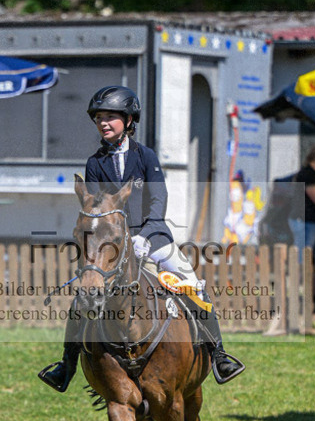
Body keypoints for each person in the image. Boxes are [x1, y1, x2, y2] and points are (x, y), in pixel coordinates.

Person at [38, 85, 245, 391]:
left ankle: (218, 354)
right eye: (99, 118)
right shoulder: (95, 163)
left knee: (194, 286)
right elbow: (95, 207)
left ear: (129, 120)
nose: (103, 123)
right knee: (82, 299)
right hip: (113, 247)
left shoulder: (146, 156)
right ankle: (66, 366)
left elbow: (158, 201)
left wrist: (145, 235)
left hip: (155, 239)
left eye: (110, 117)